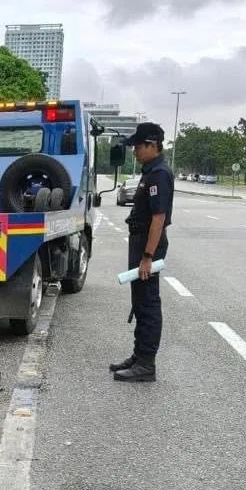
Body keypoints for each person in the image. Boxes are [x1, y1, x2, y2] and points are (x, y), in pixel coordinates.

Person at [110, 121, 174, 382]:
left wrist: (148, 257)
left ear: (152, 145)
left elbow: (159, 218)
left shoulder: (159, 174)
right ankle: (139, 355)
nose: (134, 151)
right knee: (139, 301)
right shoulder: (150, 172)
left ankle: (146, 364)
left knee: (147, 304)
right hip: (140, 242)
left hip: (148, 246)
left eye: (138, 146)